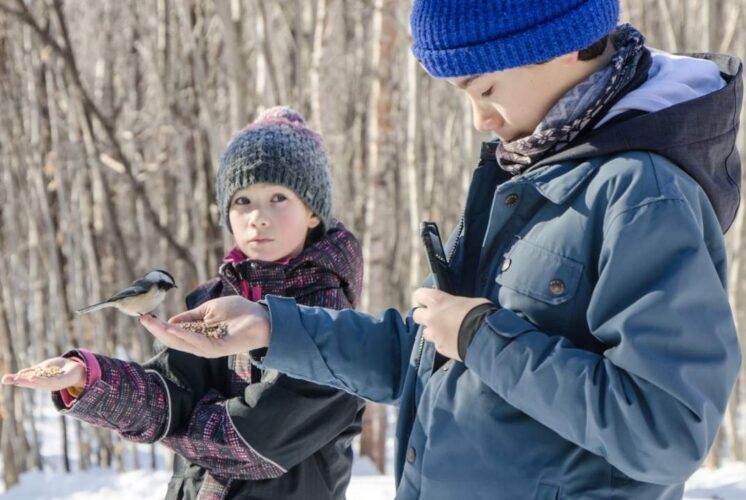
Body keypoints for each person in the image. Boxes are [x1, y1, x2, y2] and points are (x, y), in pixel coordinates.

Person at [139, 1, 744, 499]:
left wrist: (483, 338)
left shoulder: (642, 193)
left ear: (557, 43)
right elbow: (433, 353)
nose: (480, 117)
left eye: (483, 88)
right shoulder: (536, 171)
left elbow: (665, 429)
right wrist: (273, 326)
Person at [2, 107, 365, 500]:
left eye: (279, 197)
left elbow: (253, 443)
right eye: (243, 200)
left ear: (313, 212)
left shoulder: (331, 322)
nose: (258, 217)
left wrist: (174, 423)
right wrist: (85, 378)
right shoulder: (211, 301)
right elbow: (164, 395)